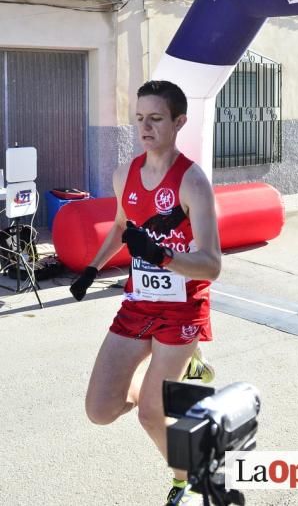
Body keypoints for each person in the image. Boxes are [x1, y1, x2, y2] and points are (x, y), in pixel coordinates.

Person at [69, 80, 221, 505]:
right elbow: (121, 227)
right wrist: (92, 268)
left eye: (156, 118)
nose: (145, 127)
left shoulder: (192, 182)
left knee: (153, 412)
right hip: (138, 304)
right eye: (139, 118)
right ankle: (188, 367)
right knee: (100, 410)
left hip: (182, 309)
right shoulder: (127, 174)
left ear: (179, 122)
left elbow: (212, 263)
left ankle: (186, 480)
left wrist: (163, 256)